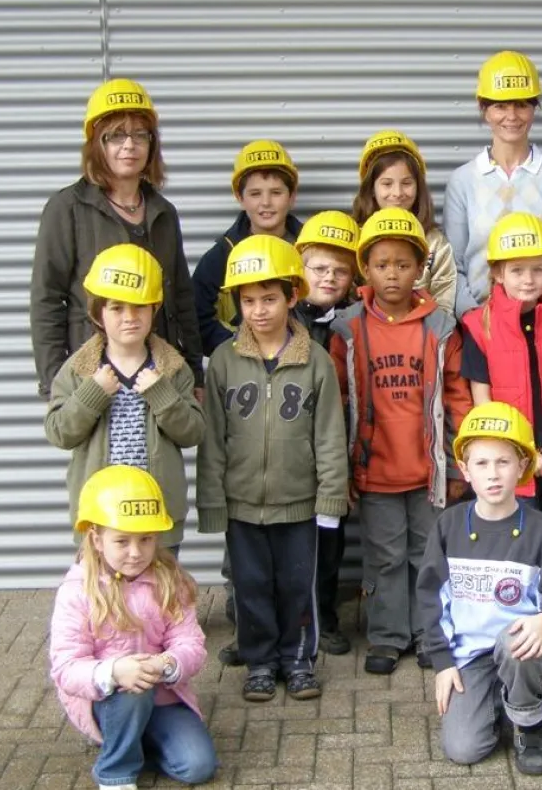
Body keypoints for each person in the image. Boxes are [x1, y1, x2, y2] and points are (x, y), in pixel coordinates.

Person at [196, 234, 349, 702]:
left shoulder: (316, 362)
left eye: (269, 298)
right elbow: (212, 440)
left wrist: (330, 499)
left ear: (292, 297)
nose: (259, 310)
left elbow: (329, 435)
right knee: (252, 587)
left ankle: (299, 659)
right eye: (248, 301)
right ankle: (260, 660)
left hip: (299, 504)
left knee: (296, 586)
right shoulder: (223, 361)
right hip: (242, 506)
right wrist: (212, 503)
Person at [329, 208, 474, 676]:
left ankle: (432, 637)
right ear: (364, 269)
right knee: (384, 558)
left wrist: (457, 466)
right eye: (382, 264)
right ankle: (389, 636)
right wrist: (343, 472)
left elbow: (457, 399)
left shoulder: (441, 328)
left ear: (420, 270)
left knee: (429, 557)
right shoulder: (348, 328)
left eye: (404, 264)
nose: (393, 274)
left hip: (428, 473)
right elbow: (338, 403)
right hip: (375, 473)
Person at [417, 402, 542, 775]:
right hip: (471, 657)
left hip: (520, 649)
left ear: (523, 467)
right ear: (464, 469)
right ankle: (498, 701)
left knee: (515, 642)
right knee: (463, 748)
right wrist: (442, 664)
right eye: (481, 463)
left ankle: (531, 724)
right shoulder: (448, 527)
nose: (493, 474)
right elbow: (430, 602)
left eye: (504, 462)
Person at [49, 465, 216, 790]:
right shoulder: (77, 591)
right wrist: (113, 672)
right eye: (121, 541)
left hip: (163, 696)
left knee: (198, 767)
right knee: (132, 686)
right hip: (109, 698)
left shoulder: (171, 581)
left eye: (146, 539)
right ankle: (116, 769)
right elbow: (66, 667)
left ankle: (136, 741)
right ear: (96, 539)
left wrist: (169, 663)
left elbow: (191, 643)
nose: (136, 552)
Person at [31, 78, 203, 399]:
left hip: (158, 375)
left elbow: (181, 298)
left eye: (140, 134)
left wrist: (193, 373)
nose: (129, 145)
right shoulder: (66, 209)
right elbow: (47, 300)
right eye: (116, 136)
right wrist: (56, 381)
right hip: (95, 378)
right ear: (97, 144)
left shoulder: (164, 212)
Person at [45, 244, 204, 554]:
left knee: (157, 596)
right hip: (101, 516)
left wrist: (161, 393)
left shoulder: (172, 369)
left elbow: (194, 432)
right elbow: (59, 432)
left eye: (139, 307)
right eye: (117, 308)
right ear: (98, 313)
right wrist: (92, 393)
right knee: (104, 598)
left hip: (157, 514)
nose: (129, 317)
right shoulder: (80, 369)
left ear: (154, 309)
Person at [460, 212, 542, 543]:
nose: (528, 279)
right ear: (497, 273)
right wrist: (527, 456)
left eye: (537, 269)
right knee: (516, 552)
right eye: (516, 270)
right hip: (514, 465)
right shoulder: (479, 327)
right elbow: (483, 402)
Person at [444, 50, 542, 316]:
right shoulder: (463, 180)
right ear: (484, 109)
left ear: (534, 109)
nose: (511, 115)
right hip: (481, 327)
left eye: (522, 104)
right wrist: (474, 321)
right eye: (500, 105)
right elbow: (454, 267)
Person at [296, 211, 363, 656]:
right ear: (300, 268)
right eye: (319, 268)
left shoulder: (358, 321)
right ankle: (280, 624)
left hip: (337, 453)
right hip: (291, 454)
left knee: (329, 539)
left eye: (340, 271)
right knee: (284, 544)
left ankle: (326, 616)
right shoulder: (284, 320)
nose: (329, 278)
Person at [194, 139, 304, 356]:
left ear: (292, 196)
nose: (265, 203)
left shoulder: (309, 251)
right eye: (255, 194)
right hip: (243, 373)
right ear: (240, 197)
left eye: (276, 192)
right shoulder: (221, 257)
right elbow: (198, 321)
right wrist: (243, 348)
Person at [352, 129, 456, 312]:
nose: (398, 193)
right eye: (387, 184)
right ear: (371, 189)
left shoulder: (434, 241)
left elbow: (444, 301)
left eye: (407, 183)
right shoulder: (354, 236)